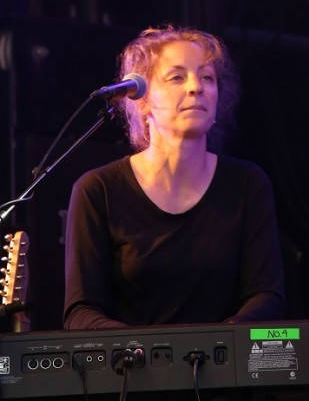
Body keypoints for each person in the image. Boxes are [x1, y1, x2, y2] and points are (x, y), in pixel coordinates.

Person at [64, 26, 285, 329]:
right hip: (131, 372)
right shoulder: (98, 191)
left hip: (225, 373)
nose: (196, 87)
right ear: (141, 100)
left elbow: (266, 297)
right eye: (177, 77)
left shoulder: (248, 185)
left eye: (207, 77)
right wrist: (146, 353)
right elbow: (81, 312)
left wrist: (215, 349)